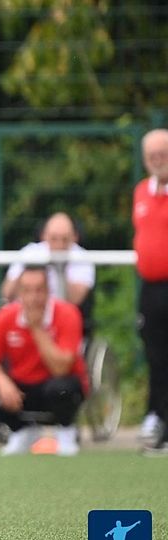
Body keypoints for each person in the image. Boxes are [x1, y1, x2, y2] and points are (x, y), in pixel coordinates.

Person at [0, 265, 88, 456]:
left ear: (49, 291)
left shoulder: (67, 313)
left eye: (39, 290)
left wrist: (37, 329)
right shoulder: (5, 316)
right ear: (18, 292)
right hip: (22, 390)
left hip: (56, 386)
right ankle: (21, 430)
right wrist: (3, 383)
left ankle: (66, 431)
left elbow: (62, 368)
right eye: (27, 290)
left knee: (61, 387)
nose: (33, 297)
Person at [0, 211, 96, 328]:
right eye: (54, 238)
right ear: (44, 236)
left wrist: (60, 266)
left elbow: (75, 300)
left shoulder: (82, 258)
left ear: (74, 237)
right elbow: (7, 293)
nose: (59, 245)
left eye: (65, 239)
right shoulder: (29, 253)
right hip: (28, 317)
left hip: (65, 321)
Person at [134, 128, 168, 455]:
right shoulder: (142, 191)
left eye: (163, 154)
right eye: (152, 156)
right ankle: (156, 417)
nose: (158, 161)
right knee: (156, 357)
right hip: (151, 288)